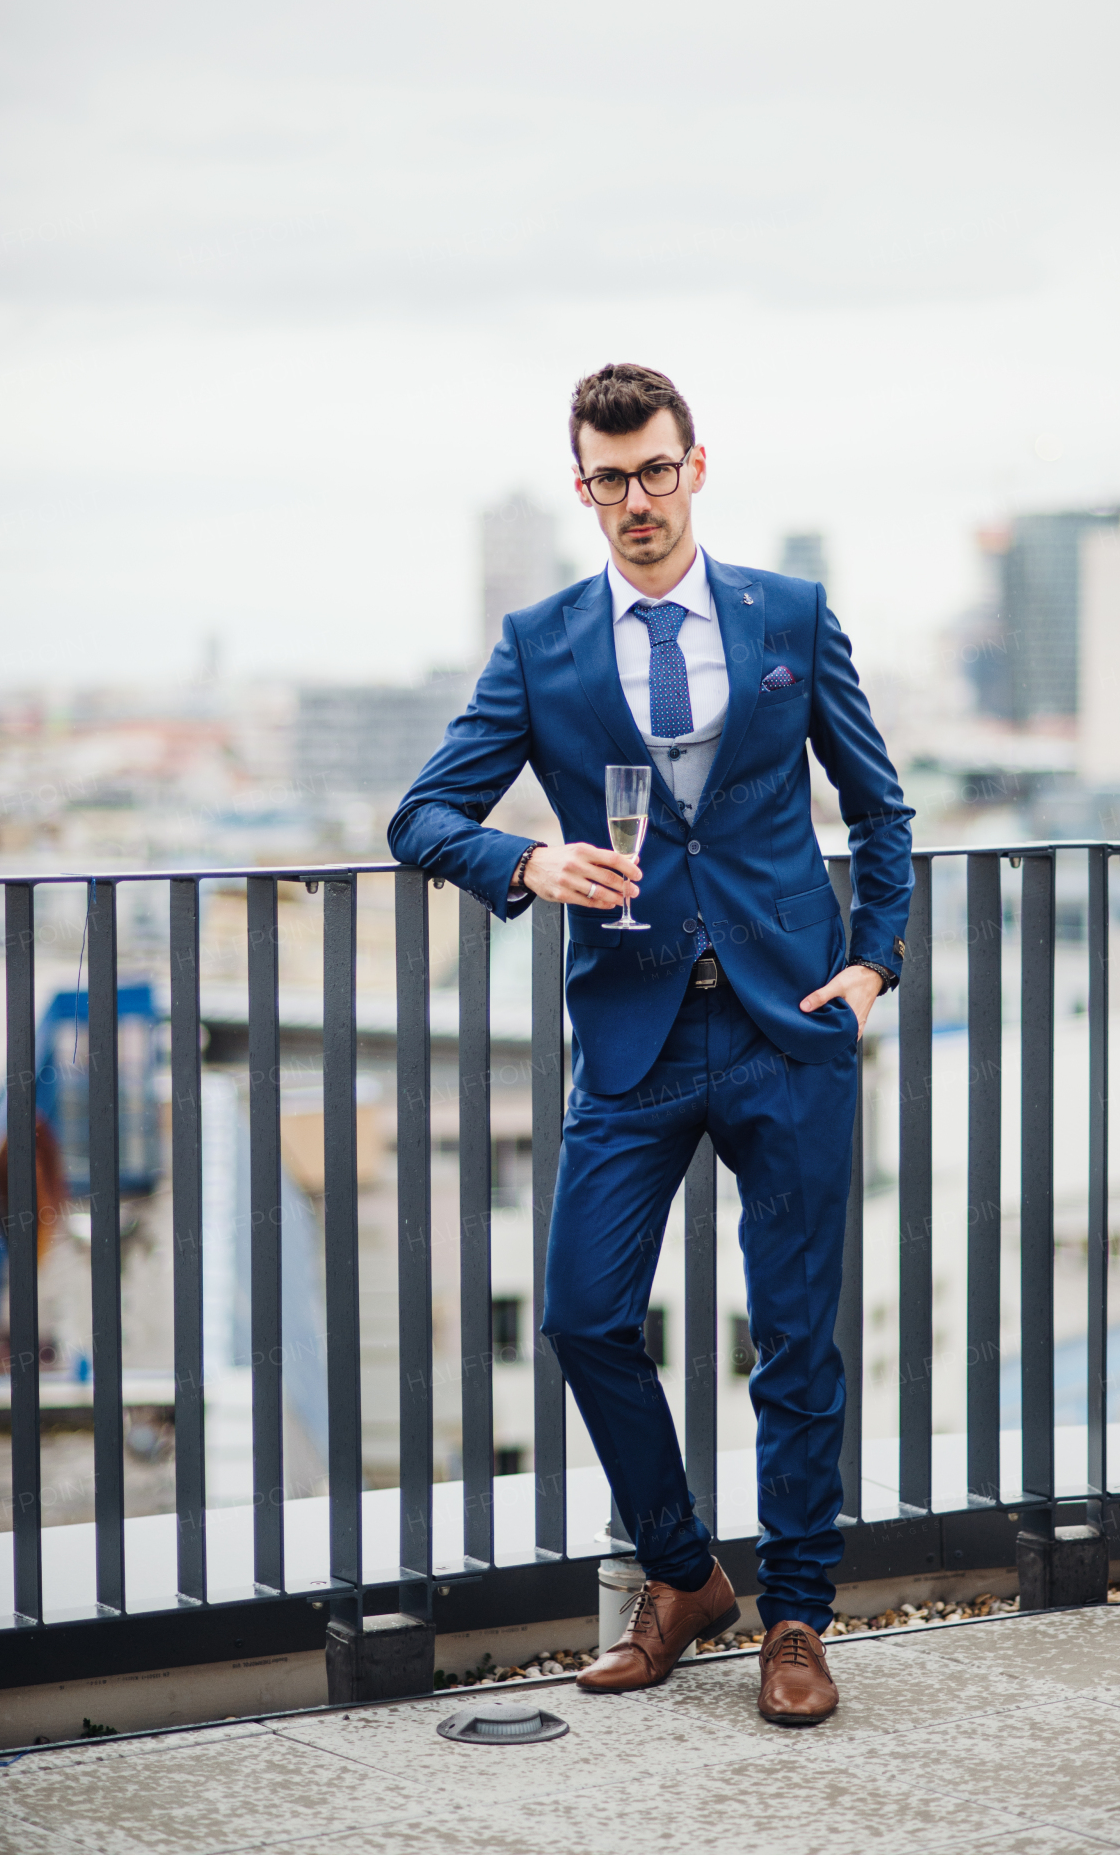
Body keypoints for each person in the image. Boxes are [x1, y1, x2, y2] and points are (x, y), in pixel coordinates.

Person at [389, 362, 913, 1725]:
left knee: (796, 1342)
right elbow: (423, 816)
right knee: (578, 1313)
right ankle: (684, 1578)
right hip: (629, 1034)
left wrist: (872, 964)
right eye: (611, 478)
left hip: (787, 1022)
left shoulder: (789, 616)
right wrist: (528, 863)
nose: (638, 498)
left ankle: (799, 1618)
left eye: (657, 470)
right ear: (582, 488)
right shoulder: (540, 642)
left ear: (695, 466)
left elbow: (882, 807)